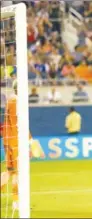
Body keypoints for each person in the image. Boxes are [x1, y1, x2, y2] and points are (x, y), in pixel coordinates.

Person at [0, 80, 34, 211]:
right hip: (15, 142)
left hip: (9, 140)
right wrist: (29, 141)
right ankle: (16, 202)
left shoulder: (11, 100)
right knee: (17, 173)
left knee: (9, 171)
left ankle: (16, 202)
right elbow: (18, 124)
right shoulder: (16, 102)